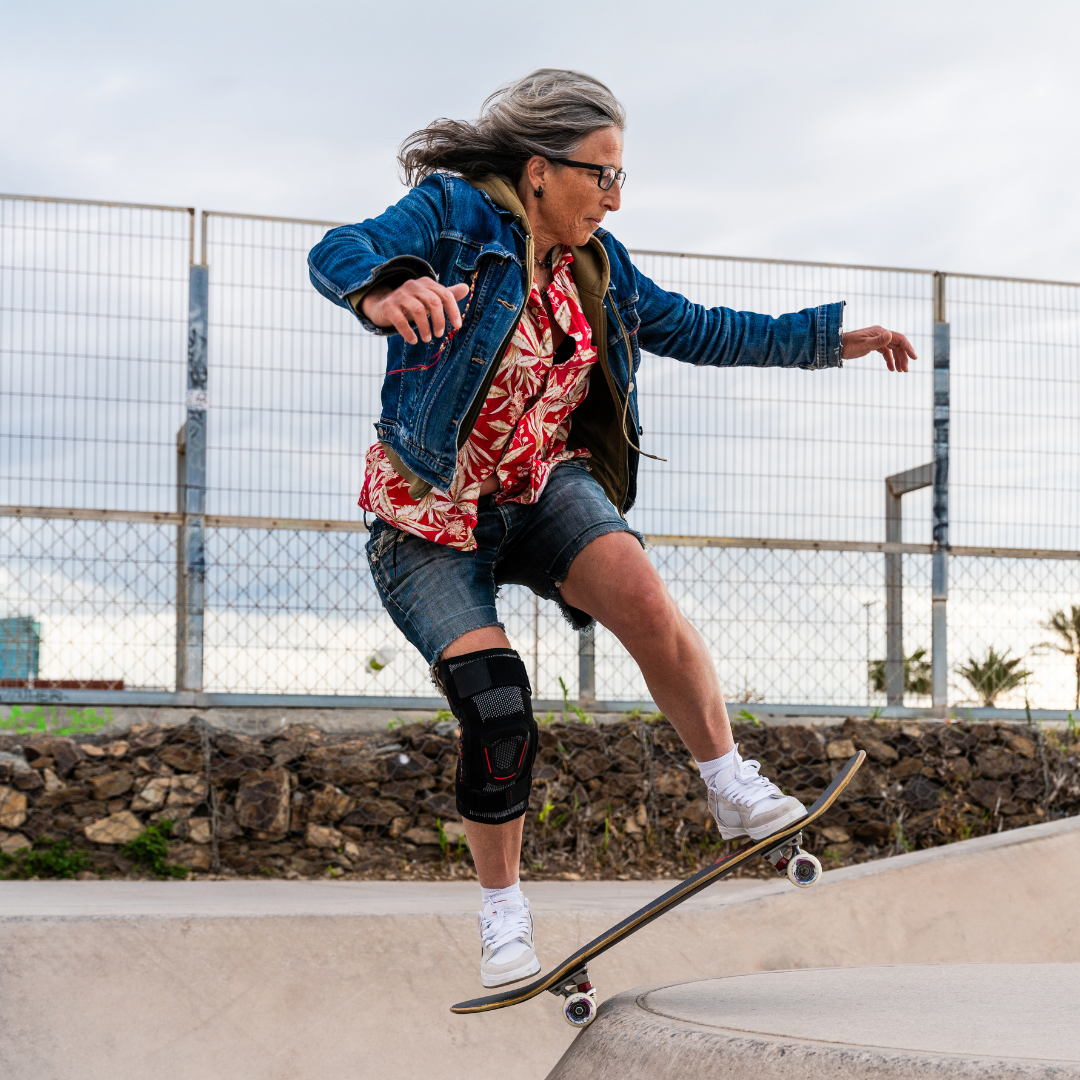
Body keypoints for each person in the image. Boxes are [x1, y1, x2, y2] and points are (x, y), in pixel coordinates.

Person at [308, 69, 916, 989]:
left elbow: (700, 328)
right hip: (427, 515)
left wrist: (830, 340)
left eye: (620, 177)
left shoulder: (601, 264)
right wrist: (383, 289)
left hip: (538, 485)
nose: (613, 197)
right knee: (496, 703)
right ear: (539, 170)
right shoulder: (453, 214)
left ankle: (729, 785)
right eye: (602, 175)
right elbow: (341, 248)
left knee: (641, 593)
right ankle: (503, 914)